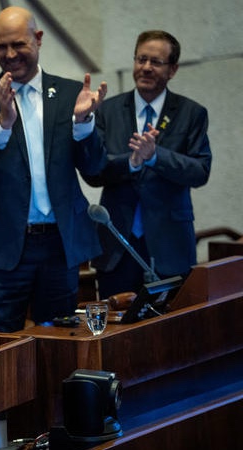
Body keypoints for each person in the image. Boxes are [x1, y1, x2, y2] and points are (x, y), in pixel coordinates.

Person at [0, 6, 108, 332]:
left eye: (18, 44)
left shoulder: (70, 94)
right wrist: (2, 124)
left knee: (60, 345)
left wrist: (83, 124)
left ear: (38, 39)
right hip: (1, 246)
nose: (9, 54)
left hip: (58, 245)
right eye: (0, 46)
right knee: (1, 352)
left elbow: (95, 170)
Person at [84, 30, 212, 299]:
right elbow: (94, 171)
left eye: (155, 62)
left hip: (170, 246)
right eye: (141, 59)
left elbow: (200, 171)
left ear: (173, 69)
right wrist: (130, 162)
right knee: (118, 335)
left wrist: (156, 157)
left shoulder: (191, 113)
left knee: (173, 334)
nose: (145, 67)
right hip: (117, 245)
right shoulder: (108, 110)